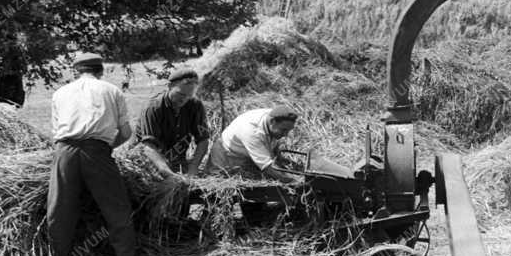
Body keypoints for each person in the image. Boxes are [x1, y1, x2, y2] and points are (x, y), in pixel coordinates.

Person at [47, 52, 136, 256]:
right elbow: (126, 133)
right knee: (116, 206)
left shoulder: (60, 93)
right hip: (98, 151)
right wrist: (105, 148)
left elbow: (55, 134)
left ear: (76, 71)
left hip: (65, 151)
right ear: (101, 70)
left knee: (59, 208)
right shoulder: (112, 91)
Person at [207, 104, 349, 184]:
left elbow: (271, 147)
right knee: (226, 193)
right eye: (284, 130)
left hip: (246, 155)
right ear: (273, 122)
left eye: (289, 130)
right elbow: (267, 167)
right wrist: (293, 181)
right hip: (226, 157)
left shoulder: (273, 118)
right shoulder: (252, 132)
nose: (286, 134)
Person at [133, 67, 210, 178]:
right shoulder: (153, 108)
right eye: (181, 94)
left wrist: (192, 171)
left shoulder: (195, 106)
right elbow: (149, 146)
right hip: (147, 162)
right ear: (169, 87)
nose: (184, 99)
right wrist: (167, 172)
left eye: (189, 95)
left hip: (175, 161)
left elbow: (203, 140)